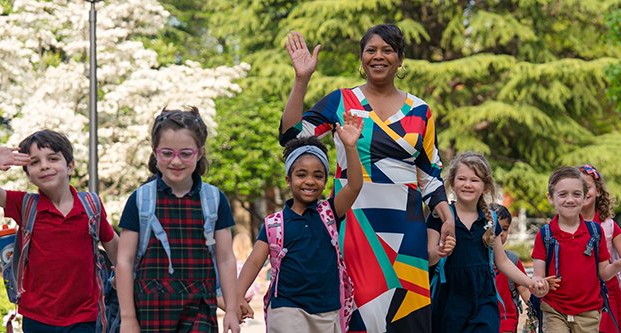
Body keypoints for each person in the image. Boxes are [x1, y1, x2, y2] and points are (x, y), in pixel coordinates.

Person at [278, 24, 455, 333]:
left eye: (388, 50)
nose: (379, 56)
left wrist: (445, 213)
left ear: (400, 59)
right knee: (357, 311)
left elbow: (429, 174)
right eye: (371, 50)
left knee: (406, 316)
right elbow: (292, 136)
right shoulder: (341, 101)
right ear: (361, 58)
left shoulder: (421, 110)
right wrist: (301, 79)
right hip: (354, 222)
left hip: (407, 226)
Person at [0, 130, 119, 333]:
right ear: (29, 176)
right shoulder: (24, 205)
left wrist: (124, 274)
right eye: (34, 162)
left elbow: (116, 250)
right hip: (37, 318)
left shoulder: (91, 206)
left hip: (84, 316)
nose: (44, 165)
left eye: (53, 158)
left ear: (70, 166)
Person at [236, 112, 365, 333]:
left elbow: (354, 186)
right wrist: (238, 296)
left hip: (328, 309)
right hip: (287, 309)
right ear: (288, 179)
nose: (309, 181)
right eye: (301, 174)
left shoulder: (330, 212)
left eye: (318, 175)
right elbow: (254, 262)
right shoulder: (274, 224)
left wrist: (350, 147)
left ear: (325, 181)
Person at [114, 108, 240, 333]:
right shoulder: (141, 199)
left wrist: (231, 309)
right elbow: (124, 260)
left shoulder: (213, 200)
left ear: (199, 153)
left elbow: (225, 258)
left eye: (185, 153)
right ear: (155, 152)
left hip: (200, 306)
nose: (176, 161)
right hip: (150, 307)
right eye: (167, 153)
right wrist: (128, 318)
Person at [427, 152, 549, 333]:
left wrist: (529, 282)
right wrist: (440, 251)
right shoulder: (440, 217)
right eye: (462, 178)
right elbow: (428, 258)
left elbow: (502, 261)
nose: (467, 184)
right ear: (452, 182)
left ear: (485, 186)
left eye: (474, 180)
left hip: (484, 299)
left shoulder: (490, 219)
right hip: (449, 299)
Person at [531, 167, 621, 333]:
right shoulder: (544, 235)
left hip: (589, 312)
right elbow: (538, 275)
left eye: (576, 194)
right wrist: (539, 283)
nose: (570, 199)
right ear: (550, 198)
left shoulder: (595, 232)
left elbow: (604, 273)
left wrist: (619, 264)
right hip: (554, 309)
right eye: (562, 194)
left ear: (584, 197)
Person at [577, 164, 621, 333]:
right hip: (577, 290)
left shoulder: (608, 226)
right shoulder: (564, 226)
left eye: (587, 186)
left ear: (598, 191)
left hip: (607, 291)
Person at [491, 204, 532, 333]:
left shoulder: (512, 261)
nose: (500, 233)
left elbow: (524, 290)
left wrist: (535, 310)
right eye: (495, 228)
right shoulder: (473, 260)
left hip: (506, 321)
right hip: (480, 321)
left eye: (504, 229)